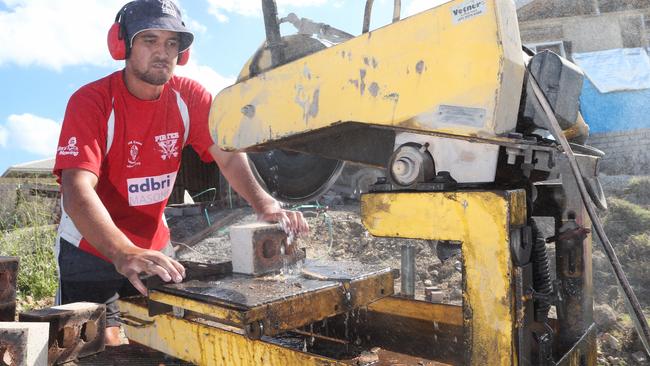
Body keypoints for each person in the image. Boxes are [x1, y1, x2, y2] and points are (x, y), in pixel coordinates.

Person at [53, 0, 308, 346]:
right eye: (150, 40)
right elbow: (77, 189)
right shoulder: (92, 102)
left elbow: (229, 158)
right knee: (101, 346)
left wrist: (265, 204)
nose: (163, 52)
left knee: (169, 343)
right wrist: (122, 252)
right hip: (90, 248)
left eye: (172, 43)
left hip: (155, 249)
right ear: (122, 45)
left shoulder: (189, 98)